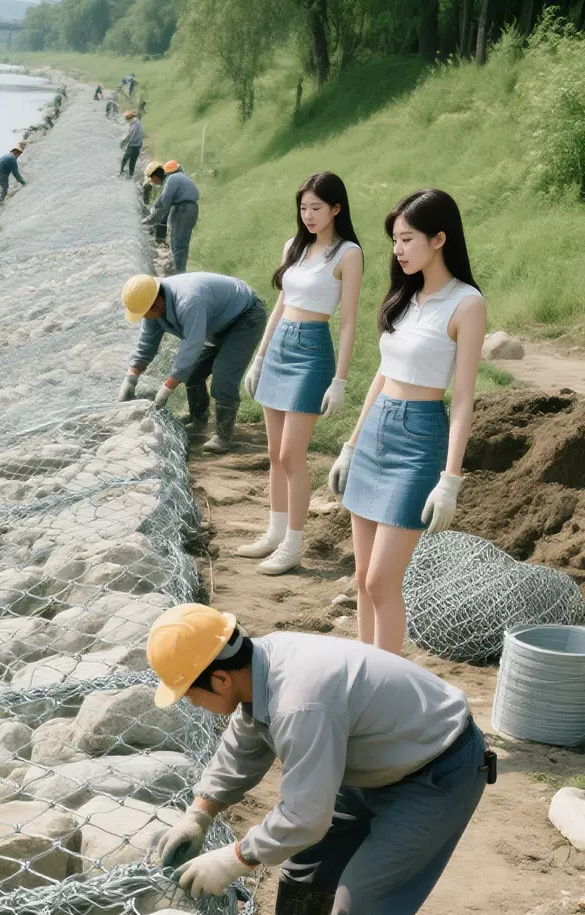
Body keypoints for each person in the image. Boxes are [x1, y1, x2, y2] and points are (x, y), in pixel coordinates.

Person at [147, 604, 492, 915]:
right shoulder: (260, 668)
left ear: (221, 680)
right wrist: (199, 813)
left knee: (366, 898)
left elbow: (305, 817)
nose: (190, 703)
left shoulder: (300, 700)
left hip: (435, 771)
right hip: (375, 759)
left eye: (189, 693)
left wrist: (233, 859)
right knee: (311, 858)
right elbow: (245, 743)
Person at [329, 190, 485, 653]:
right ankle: (364, 682)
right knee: (360, 578)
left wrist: (450, 479)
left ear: (439, 239)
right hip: (377, 429)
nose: (397, 249)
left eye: (407, 239)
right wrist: (351, 444)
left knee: (381, 582)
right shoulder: (405, 296)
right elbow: (384, 373)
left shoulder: (466, 303)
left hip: (419, 440)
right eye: (394, 239)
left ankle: (387, 692)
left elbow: (462, 398)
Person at [241, 172, 364, 576]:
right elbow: (280, 304)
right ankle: (274, 534)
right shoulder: (294, 245)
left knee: (293, 455)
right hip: (279, 348)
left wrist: (340, 380)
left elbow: (348, 322)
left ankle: (294, 544)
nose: (308, 216)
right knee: (275, 454)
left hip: (312, 352)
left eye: (316, 208)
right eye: (303, 208)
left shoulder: (347, 254)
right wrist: (259, 357)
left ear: (336, 209)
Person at [118, 271, 267, 455]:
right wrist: (131, 377)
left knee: (223, 376)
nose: (143, 317)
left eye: (143, 313)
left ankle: (223, 435)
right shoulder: (154, 305)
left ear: (156, 304)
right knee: (194, 373)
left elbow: (192, 346)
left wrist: (167, 389)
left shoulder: (189, 301)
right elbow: (147, 342)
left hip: (245, 318)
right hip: (217, 323)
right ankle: (199, 421)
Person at [145, 160, 200, 274]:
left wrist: (150, 222)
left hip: (183, 210)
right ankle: (179, 270)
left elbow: (165, 203)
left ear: (156, 175)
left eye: (151, 178)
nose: (152, 182)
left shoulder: (172, 179)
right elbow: (161, 200)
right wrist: (152, 213)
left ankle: (178, 273)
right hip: (190, 209)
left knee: (178, 243)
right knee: (181, 242)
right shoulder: (177, 178)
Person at [118, 110, 144, 178]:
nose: (125, 120)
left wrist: (125, 144)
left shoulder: (135, 124)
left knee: (125, 159)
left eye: (126, 118)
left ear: (129, 118)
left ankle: (121, 172)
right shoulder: (136, 123)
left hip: (133, 146)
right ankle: (131, 175)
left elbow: (131, 136)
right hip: (137, 145)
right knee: (132, 162)